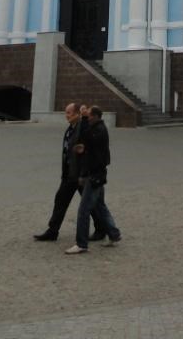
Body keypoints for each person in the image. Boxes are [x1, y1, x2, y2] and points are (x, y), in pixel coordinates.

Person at [34, 102, 98, 242]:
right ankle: (53, 231)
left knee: (90, 203)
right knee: (61, 200)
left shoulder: (81, 127)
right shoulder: (70, 129)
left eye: (69, 113)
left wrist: (85, 117)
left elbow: (87, 140)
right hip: (69, 174)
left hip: (80, 175)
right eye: (66, 113)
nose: (66, 116)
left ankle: (102, 229)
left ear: (76, 114)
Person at [65, 105, 121, 254]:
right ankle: (114, 234)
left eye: (89, 116)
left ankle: (81, 243)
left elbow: (86, 136)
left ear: (95, 116)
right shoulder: (97, 129)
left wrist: (82, 118)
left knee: (84, 210)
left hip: (95, 175)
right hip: (96, 173)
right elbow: (88, 143)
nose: (87, 118)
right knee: (100, 206)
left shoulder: (99, 130)